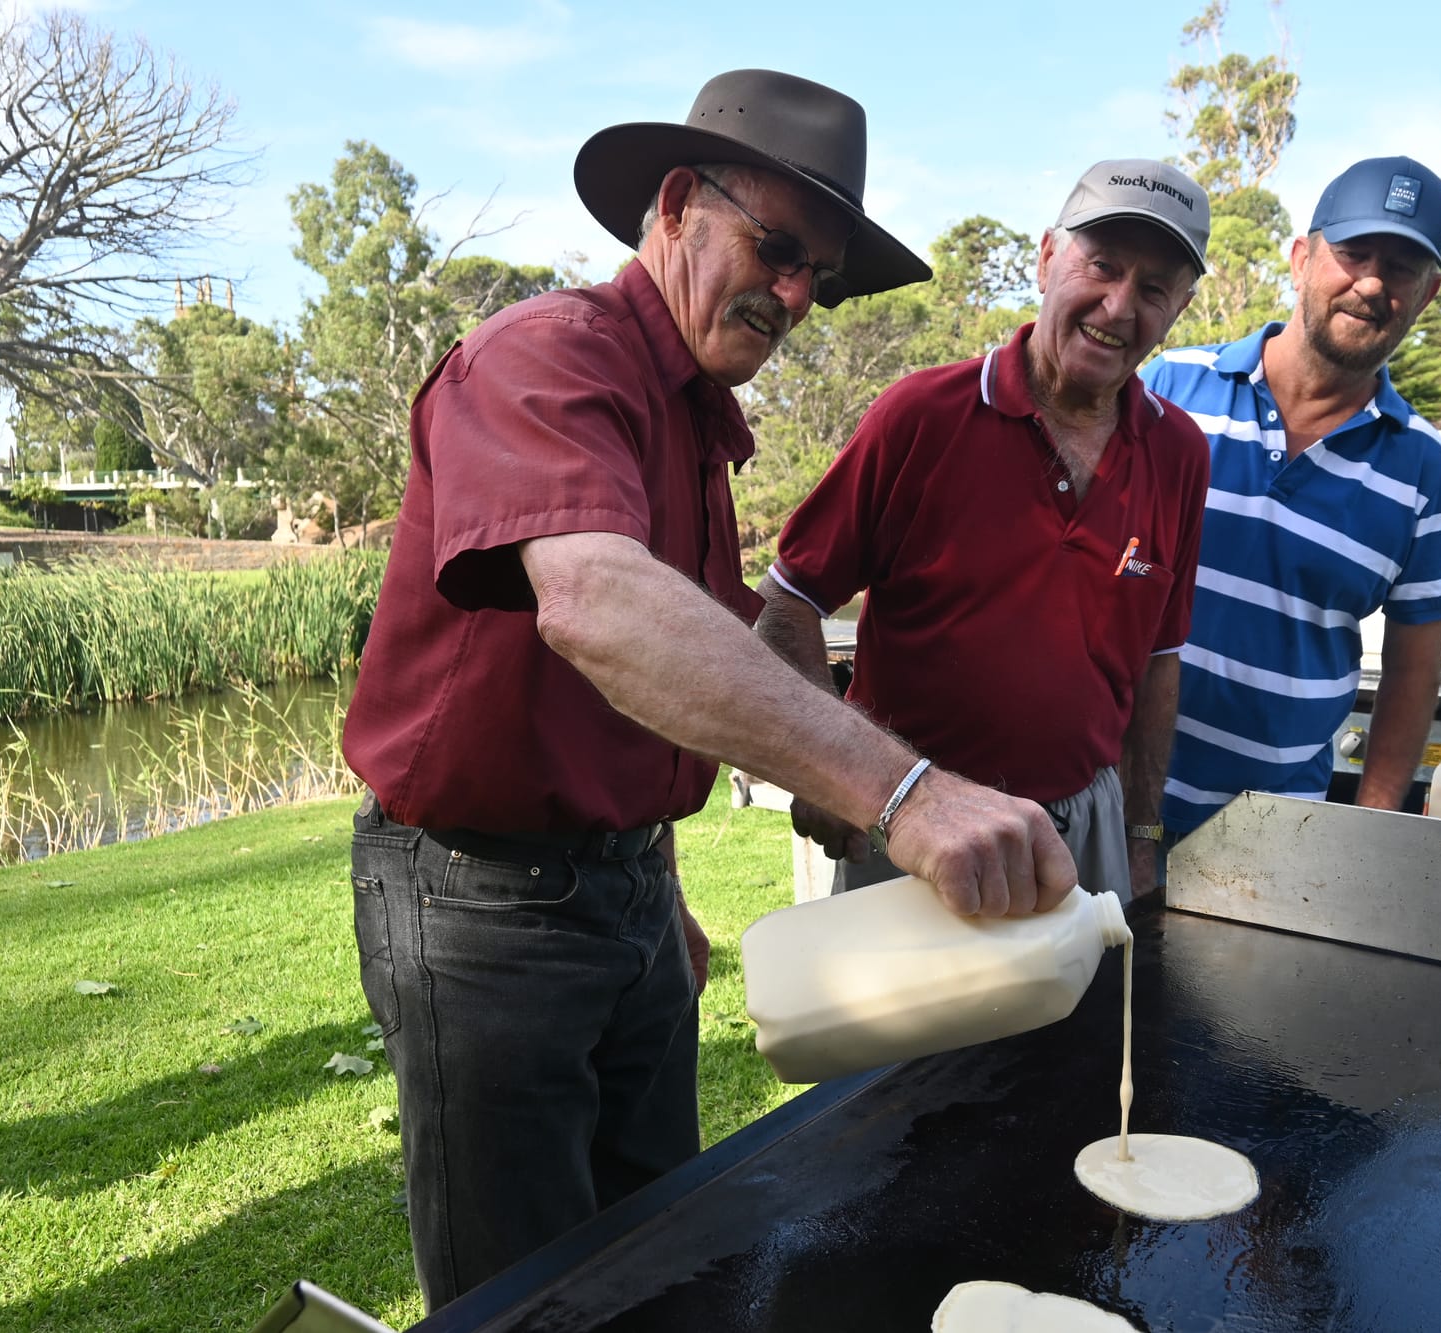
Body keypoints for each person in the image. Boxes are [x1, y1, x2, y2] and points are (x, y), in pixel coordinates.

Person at [340, 69, 1079, 1311]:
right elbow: (597, 606)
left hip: (621, 888)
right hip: (479, 903)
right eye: (777, 248)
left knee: (659, 1250)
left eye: (815, 276)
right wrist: (906, 792)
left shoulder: (697, 420)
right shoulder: (541, 357)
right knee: (521, 1290)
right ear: (676, 204)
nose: (794, 295)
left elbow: (652, 681)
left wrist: (653, 877)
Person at [755, 159, 1213, 902]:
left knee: (1081, 1021)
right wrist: (828, 764)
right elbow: (788, 599)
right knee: (898, 1022)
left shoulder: (1181, 454)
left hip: (1084, 827)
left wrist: (1140, 835)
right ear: (1046, 258)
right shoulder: (920, 417)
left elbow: (1159, 664)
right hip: (912, 821)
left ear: (1179, 310)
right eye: (1102, 265)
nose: (1119, 305)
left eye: (1154, 288)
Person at [1139, 155, 1441, 843]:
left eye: (1403, 267)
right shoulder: (1167, 388)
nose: (1374, 283)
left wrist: (1368, 836)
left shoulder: (1426, 475)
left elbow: (1413, 683)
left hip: (1275, 840)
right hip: (1109, 808)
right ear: (1302, 258)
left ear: (1429, 292)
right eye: (1354, 252)